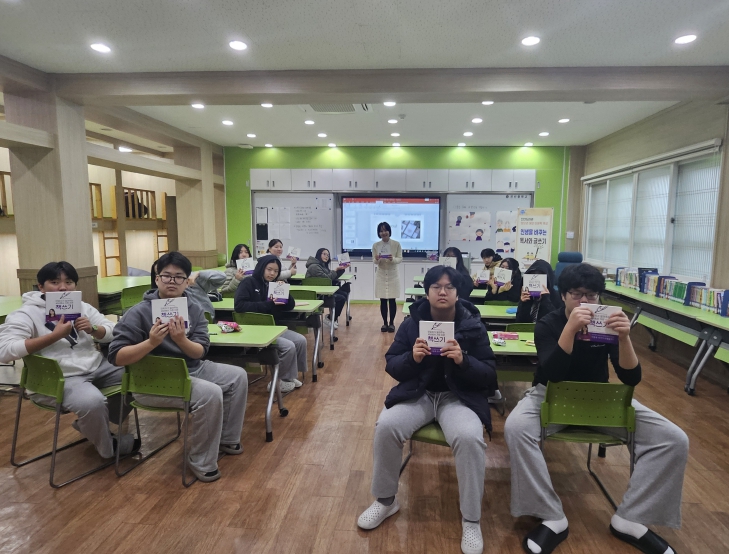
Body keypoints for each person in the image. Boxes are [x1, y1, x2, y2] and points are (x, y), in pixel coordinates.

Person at [504, 264, 688, 554]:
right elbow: (553, 373)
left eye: (591, 295)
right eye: (576, 294)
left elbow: (631, 377)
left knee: (673, 439)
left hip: (600, 398)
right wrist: (570, 329)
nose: (584, 302)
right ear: (562, 295)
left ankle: (631, 519)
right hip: (550, 395)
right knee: (516, 428)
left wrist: (624, 338)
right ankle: (550, 515)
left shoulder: (607, 321)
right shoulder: (548, 324)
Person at [357, 266, 498, 554]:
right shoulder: (411, 324)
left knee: (470, 438)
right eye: (436, 287)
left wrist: (463, 361)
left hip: (457, 398)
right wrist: (413, 358)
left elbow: (489, 375)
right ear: (428, 291)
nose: (442, 292)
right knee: (386, 426)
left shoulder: (472, 325)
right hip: (418, 395)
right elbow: (392, 364)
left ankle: (471, 519)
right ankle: (386, 501)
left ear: (457, 293)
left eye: (449, 287)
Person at [109, 252, 248, 483]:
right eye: (166, 276)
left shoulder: (193, 308)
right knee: (210, 393)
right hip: (152, 380)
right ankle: (201, 460)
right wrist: (151, 342)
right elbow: (116, 356)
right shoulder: (138, 312)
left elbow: (201, 351)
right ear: (157, 279)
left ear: (187, 282)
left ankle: (227, 438)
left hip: (192, 369)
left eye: (179, 277)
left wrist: (181, 339)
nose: (172, 281)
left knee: (238, 376)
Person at [0, 261, 138, 459]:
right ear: (41, 287)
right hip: (60, 377)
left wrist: (93, 329)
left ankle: (90, 424)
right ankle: (109, 449)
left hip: (96, 366)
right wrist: (54, 336)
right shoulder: (26, 314)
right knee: (92, 402)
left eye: (69, 282)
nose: (63, 288)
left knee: (139, 374)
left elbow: (114, 331)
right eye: (55, 282)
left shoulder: (82, 307)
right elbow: (4, 351)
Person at [234, 254, 307, 392]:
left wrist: (285, 291)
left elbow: (289, 306)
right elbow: (239, 306)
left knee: (300, 340)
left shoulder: (274, 284)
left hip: (273, 328)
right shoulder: (248, 282)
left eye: (276, 271)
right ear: (262, 268)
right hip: (255, 329)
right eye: (269, 269)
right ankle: (277, 382)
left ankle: (289, 377)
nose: (272, 273)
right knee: (288, 346)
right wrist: (267, 304)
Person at [151, 260, 225, 318]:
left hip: (206, 319)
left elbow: (222, 277)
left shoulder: (193, 279)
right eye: (161, 274)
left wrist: (198, 273)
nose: (171, 279)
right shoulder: (159, 294)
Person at [305, 248, 350, 329]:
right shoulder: (314, 267)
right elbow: (327, 279)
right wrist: (335, 269)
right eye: (324, 254)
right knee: (341, 298)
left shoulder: (322, 265)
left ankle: (332, 318)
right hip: (317, 295)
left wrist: (341, 269)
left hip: (323, 292)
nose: (326, 256)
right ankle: (330, 318)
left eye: (328, 255)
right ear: (319, 254)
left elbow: (331, 277)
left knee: (344, 294)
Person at [373, 222, 402, 333]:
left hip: (393, 275)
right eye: (381, 231)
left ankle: (392, 323)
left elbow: (400, 259)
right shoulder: (376, 245)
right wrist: (377, 259)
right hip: (381, 274)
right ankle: (385, 323)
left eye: (385, 230)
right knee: (383, 300)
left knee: (392, 299)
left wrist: (392, 259)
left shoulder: (396, 244)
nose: (383, 233)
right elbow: (374, 261)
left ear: (389, 231)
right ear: (378, 233)